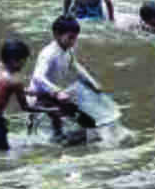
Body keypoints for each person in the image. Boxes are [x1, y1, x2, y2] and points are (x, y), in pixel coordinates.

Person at [29, 15, 104, 143]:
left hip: (56, 96)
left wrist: (92, 83)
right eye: (70, 38)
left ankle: (73, 141)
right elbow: (37, 77)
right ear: (56, 35)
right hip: (39, 98)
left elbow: (76, 66)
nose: (73, 42)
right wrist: (57, 92)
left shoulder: (68, 50)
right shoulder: (48, 53)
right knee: (58, 129)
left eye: (75, 38)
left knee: (87, 120)